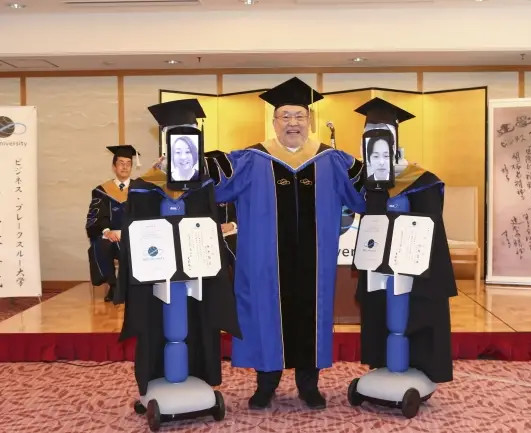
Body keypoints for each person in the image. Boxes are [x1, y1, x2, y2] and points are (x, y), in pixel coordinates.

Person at [204, 77, 366, 410]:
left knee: (312, 314)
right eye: (285, 116)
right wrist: (180, 160)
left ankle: (309, 385)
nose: (293, 123)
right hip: (266, 262)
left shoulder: (330, 160)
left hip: (314, 262)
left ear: (310, 120)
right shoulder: (252, 159)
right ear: (274, 121)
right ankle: (266, 384)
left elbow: (368, 185)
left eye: (299, 116)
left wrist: (396, 167)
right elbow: (213, 178)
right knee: (266, 315)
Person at [115, 98, 241, 399]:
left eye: (189, 134)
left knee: (199, 317)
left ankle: (198, 373)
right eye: (176, 135)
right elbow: (135, 232)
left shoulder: (204, 184)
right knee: (156, 321)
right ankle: (156, 376)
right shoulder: (145, 185)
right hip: (157, 275)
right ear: (164, 139)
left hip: (196, 272)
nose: (183, 145)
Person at [354, 97, 457, 385]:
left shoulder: (422, 180)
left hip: (412, 265)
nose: (377, 137)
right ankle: (383, 361)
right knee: (379, 308)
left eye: (384, 132)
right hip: (379, 265)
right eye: (370, 132)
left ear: (396, 138)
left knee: (414, 309)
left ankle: (419, 364)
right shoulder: (366, 180)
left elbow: (431, 229)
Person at [86, 144, 138, 302]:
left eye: (128, 163)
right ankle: (113, 285)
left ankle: (129, 287)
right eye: (121, 163)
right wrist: (107, 231)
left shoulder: (139, 189)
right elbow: (96, 216)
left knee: (130, 247)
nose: (125, 167)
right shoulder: (102, 191)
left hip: (132, 235)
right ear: (114, 166)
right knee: (101, 246)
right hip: (110, 235)